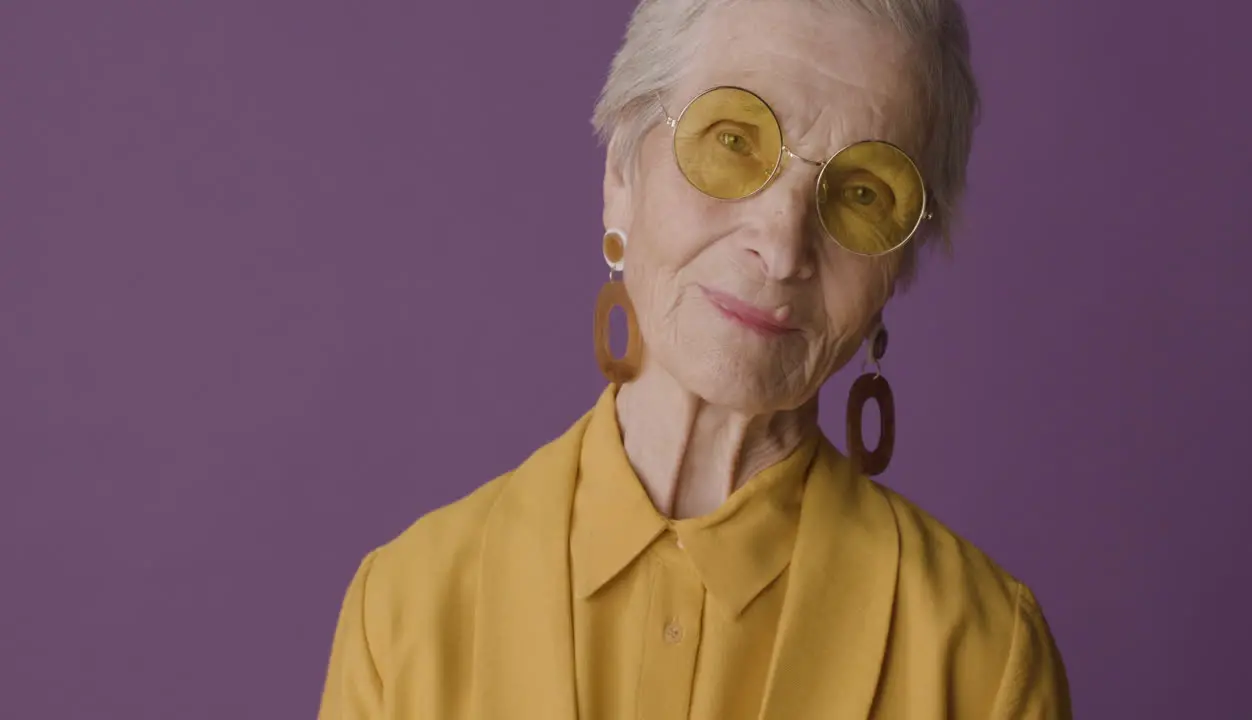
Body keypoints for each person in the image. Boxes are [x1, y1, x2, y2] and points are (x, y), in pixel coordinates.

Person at [317, 0, 1073, 717]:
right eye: (735, 141)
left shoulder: (983, 657)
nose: (780, 248)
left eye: (864, 194)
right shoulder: (404, 610)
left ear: (896, 273)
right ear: (621, 175)